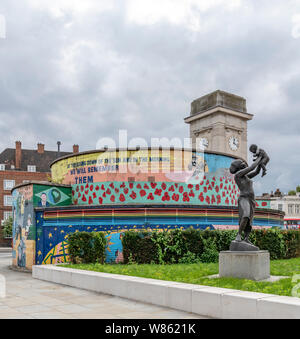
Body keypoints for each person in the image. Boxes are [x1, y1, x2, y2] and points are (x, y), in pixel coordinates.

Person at [230, 155, 262, 243]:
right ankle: (239, 235)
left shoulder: (246, 176)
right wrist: (260, 158)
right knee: (245, 215)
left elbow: (256, 172)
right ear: (239, 167)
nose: (244, 164)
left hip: (251, 199)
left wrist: (261, 164)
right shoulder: (238, 175)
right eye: (242, 164)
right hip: (244, 198)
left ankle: (246, 238)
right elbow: (252, 167)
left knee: (250, 220)